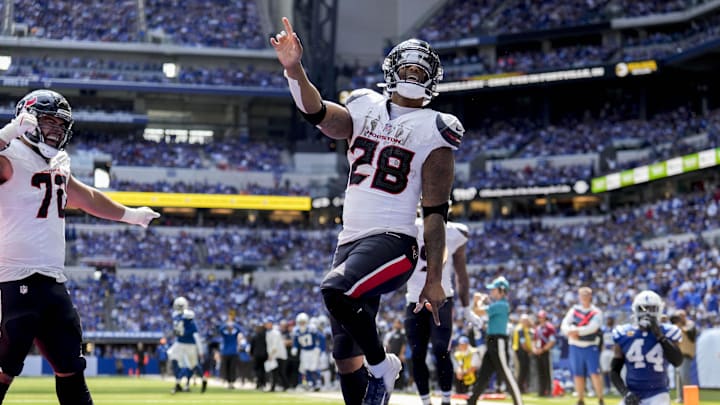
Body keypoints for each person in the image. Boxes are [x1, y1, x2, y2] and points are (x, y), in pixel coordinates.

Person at [271, 16, 462, 405]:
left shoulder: (436, 127)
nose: (411, 73)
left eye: (418, 69)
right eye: (407, 67)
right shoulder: (364, 104)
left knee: (334, 289)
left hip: (394, 240)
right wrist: (295, 71)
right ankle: (371, 378)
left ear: (431, 80)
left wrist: (434, 278)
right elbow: (318, 114)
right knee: (343, 354)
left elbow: (436, 212)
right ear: (392, 71)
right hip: (350, 240)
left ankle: (382, 366)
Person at [0, 89, 160, 405]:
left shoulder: (58, 161)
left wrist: (131, 215)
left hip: (53, 281)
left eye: (61, 125)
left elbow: (85, 197)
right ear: (27, 120)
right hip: (12, 279)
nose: (56, 130)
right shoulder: (11, 155)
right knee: (5, 369)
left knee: (71, 369)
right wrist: (6, 132)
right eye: (49, 122)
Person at [405, 218, 470, 405]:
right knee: (417, 354)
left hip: (442, 299)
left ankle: (446, 400)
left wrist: (466, 307)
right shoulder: (407, 226)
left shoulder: (455, 231)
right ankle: (426, 401)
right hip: (414, 299)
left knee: (442, 350)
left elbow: (461, 274)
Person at [610, 290, 683, 405]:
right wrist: (625, 393)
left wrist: (660, 336)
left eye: (651, 309)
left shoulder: (668, 332)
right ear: (635, 310)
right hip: (633, 392)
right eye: (643, 308)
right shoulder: (623, 333)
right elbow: (614, 371)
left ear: (659, 310)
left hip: (658, 393)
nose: (646, 313)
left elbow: (677, 361)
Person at [466, 277, 524, 405]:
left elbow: (478, 311)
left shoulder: (502, 305)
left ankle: (519, 403)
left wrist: (478, 301)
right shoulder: (498, 305)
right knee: (484, 375)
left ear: (502, 291)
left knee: (506, 373)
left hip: (499, 342)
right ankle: (471, 402)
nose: (491, 291)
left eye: (494, 289)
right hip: (492, 342)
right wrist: (478, 302)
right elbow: (477, 312)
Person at [561, 286, 605, 405]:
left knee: (595, 373)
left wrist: (576, 332)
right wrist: (570, 332)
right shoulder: (574, 310)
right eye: (582, 294)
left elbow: (593, 328)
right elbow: (564, 324)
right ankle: (580, 399)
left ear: (591, 296)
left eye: (587, 294)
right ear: (579, 296)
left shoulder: (596, 312)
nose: (584, 297)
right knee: (578, 374)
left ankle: (600, 398)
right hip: (575, 346)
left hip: (590, 346)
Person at [168, 296, 208, 394]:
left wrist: (200, 349)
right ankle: (178, 383)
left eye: (180, 305)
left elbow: (195, 333)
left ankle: (203, 379)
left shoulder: (188, 315)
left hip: (190, 343)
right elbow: (177, 331)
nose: (179, 307)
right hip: (180, 342)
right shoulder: (175, 315)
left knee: (194, 365)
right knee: (173, 358)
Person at [670, 309, 696, 403]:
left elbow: (690, 332)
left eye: (681, 316)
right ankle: (680, 397)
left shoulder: (690, 324)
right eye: (678, 317)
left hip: (686, 354)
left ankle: (688, 397)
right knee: (678, 378)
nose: (679, 318)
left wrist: (680, 325)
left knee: (685, 376)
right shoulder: (677, 326)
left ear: (684, 316)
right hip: (678, 354)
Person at [532, 310, 556, 397]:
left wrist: (543, 349)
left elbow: (552, 341)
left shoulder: (550, 327)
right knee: (540, 372)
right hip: (538, 352)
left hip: (545, 352)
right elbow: (534, 340)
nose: (540, 319)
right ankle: (541, 391)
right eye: (539, 317)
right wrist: (535, 349)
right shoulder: (537, 328)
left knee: (547, 372)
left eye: (542, 317)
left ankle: (549, 391)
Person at [218, 317, 241, 389]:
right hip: (225, 354)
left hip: (233, 353)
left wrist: (233, 324)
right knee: (227, 368)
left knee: (232, 368)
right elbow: (220, 330)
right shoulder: (226, 335)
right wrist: (226, 324)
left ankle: (232, 382)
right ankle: (228, 382)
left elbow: (239, 329)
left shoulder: (234, 335)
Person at [512, 314, 533, 394]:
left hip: (522, 351)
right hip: (520, 351)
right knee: (521, 370)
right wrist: (529, 351)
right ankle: (519, 388)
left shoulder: (524, 329)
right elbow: (523, 343)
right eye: (525, 320)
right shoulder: (520, 329)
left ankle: (521, 387)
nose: (526, 322)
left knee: (524, 370)